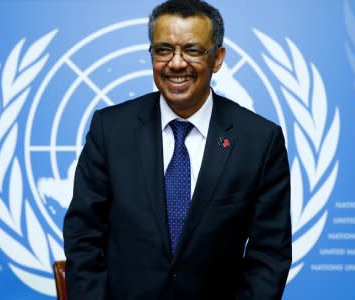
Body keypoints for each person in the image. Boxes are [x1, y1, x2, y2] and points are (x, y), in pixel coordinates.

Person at [63, 0, 292, 299]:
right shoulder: (110, 130)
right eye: (163, 50)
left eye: (192, 50)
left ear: (218, 58)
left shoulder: (259, 140)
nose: (176, 63)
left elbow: (269, 256)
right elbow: (83, 236)